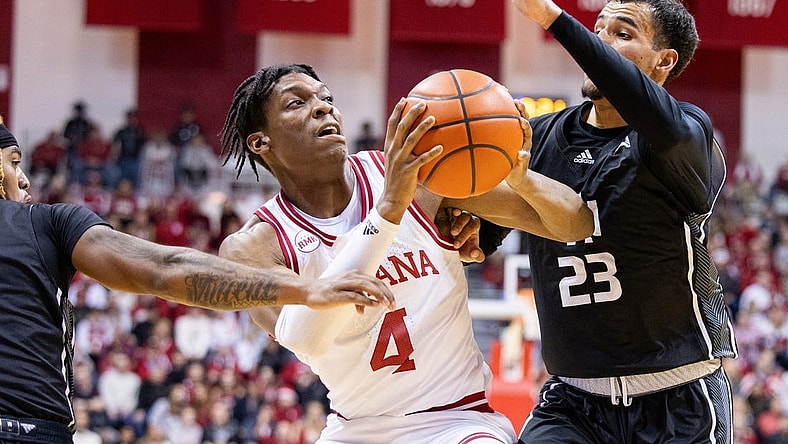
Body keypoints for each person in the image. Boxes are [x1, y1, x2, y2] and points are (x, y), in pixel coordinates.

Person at [218, 63, 594, 443]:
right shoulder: (251, 249)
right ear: (260, 142)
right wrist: (389, 211)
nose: (322, 107)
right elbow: (308, 340)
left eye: (327, 98)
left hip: (458, 421)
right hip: (355, 428)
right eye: (297, 103)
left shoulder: (421, 175)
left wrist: (521, 178)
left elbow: (575, 224)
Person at [0, 115, 394, 443]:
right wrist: (306, 288)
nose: (25, 179)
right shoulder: (43, 223)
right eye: (14, 162)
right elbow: (167, 270)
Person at [491, 1, 734, 442]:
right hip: (573, 401)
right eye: (597, 29)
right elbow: (483, 233)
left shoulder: (686, 136)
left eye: (622, 33)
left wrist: (552, 18)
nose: (599, 41)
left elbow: (654, 113)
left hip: (676, 397)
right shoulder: (539, 138)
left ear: (664, 60)